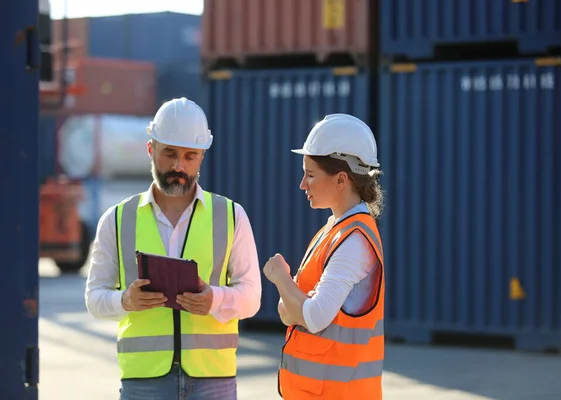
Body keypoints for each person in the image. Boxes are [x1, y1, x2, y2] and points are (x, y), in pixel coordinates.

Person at [85, 97, 262, 400]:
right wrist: (126, 300)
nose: (179, 166)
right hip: (144, 381)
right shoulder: (116, 220)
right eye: (170, 154)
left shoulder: (231, 216)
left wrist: (215, 300)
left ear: (202, 157)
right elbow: (94, 298)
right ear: (151, 149)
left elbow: (252, 298)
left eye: (190, 156)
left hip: (213, 380)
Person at [263, 113, 386, 400]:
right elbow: (287, 312)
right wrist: (294, 303)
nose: (302, 184)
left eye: (310, 174)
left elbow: (313, 317)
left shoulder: (355, 242)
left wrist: (280, 278)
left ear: (341, 179)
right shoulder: (332, 232)